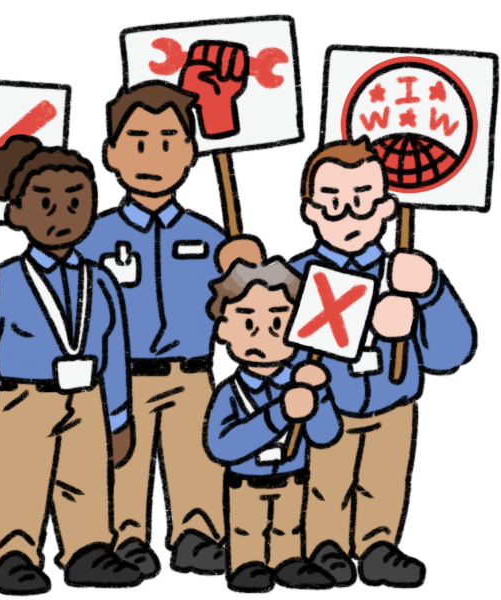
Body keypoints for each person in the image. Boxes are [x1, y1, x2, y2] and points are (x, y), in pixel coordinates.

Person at [221, 136, 474, 583]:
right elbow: (265, 340)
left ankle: (378, 544)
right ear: (311, 210)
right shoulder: (294, 277)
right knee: (325, 483)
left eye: (362, 201)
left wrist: (429, 296)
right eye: (333, 203)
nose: (349, 216)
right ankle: (326, 545)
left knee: (384, 482)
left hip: (395, 404)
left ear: (386, 206)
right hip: (328, 406)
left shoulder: (405, 274)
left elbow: (452, 354)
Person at [76, 80, 260, 575]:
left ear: (189, 153)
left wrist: (246, 269)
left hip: (192, 372)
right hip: (123, 375)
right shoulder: (93, 237)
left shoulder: (209, 237)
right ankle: (127, 536)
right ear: (112, 155)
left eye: (167, 141)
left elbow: (241, 311)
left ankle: (198, 534)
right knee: (123, 462)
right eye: (137, 141)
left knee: (198, 456)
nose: (151, 155)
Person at [0, 135, 140, 590]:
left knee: (89, 482)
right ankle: (12, 553)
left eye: (76, 203)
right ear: (15, 213)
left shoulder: (102, 281)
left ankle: (89, 548)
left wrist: (119, 417)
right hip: (24, 399)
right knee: (19, 481)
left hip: (89, 398)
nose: (62, 216)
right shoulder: (2, 282)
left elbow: (115, 354)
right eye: (45, 204)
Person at [205, 260, 343, 588]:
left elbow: (326, 435)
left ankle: (289, 559)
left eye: (278, 322)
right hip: (246, 482)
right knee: (246, 530)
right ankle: (248, 563)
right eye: (248, 321)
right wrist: (280, 413)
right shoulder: (230, 393)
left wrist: (319, 395)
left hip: (292, 478)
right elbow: (221, 445)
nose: (263, 335)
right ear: (224, 328)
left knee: (289, 529)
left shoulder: (302, 383)